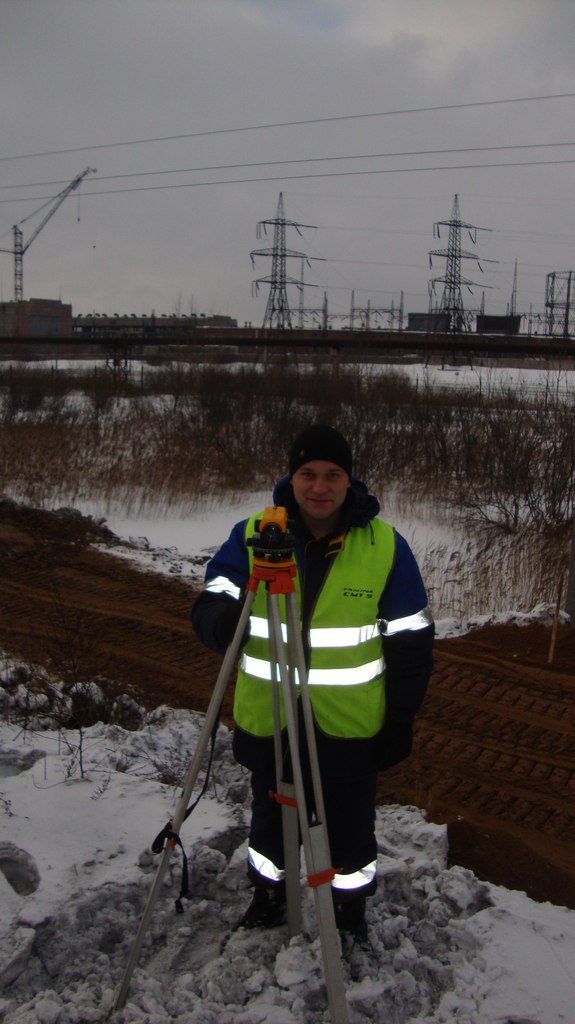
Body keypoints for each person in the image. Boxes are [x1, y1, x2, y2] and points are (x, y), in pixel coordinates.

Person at [191, 424, 434, 941]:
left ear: (349, 480)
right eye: (308, 474)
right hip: (270, 716)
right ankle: (269, 898)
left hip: (347, 724)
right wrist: (219, 620)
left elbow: (411, 640)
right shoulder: (255, 533)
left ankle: (347, 915)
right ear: (292, 477)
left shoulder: (385, 545)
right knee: (270, 825)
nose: (319, 487)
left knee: (349, 832)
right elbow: (213, 596)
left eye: (332, 474)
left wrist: (400, 718)